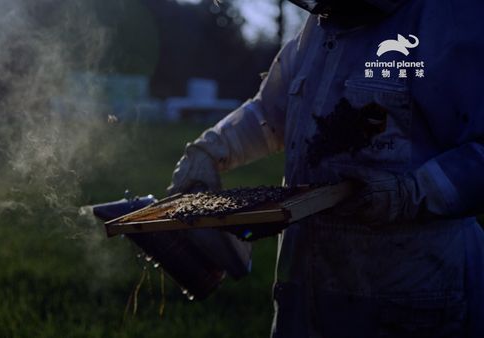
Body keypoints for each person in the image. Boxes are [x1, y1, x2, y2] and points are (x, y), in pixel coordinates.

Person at [167, 0, 484, 336]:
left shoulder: (453, 16)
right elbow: (269, 113)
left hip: (411, 293)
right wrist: (211, 148)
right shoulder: (319, 28)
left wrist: (409, 194)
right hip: (305, 290)